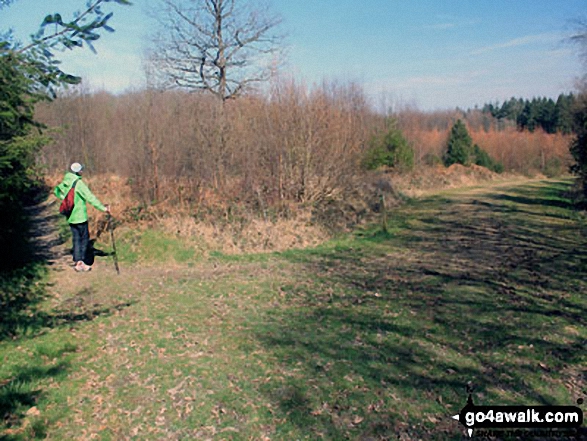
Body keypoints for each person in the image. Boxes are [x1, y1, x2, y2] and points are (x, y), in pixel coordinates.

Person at [54, 162, 110, 272]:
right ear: (78, 171)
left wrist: (63, 198)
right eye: (81, 170)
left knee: (76, 239)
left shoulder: (66, 180)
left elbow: (56, 191)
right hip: (80, 217)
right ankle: (82, 263)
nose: (82, 171)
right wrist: (104, 208)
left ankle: (77, 262)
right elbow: (90, 197)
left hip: (70, 217)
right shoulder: (78, 183)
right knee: (84, 240)